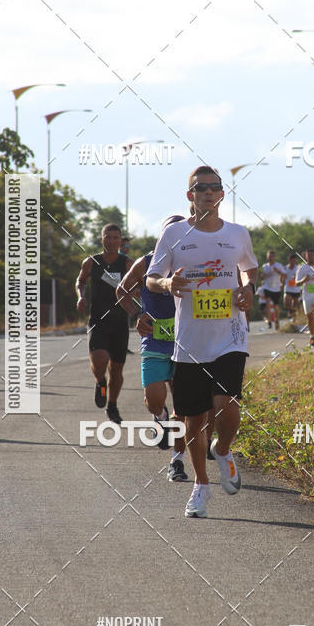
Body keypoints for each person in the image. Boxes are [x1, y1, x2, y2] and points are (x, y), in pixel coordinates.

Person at [146, 166, 258, 519]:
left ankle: (222, 450)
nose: (209, 193)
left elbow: (248, 268)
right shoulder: (174, 235)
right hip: (189, 341)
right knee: (192, 421)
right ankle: (201, 486)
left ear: (222, 194)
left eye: (215, 188)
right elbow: (152, 278)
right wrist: (166, 285)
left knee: (227, 406)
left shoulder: (238, 234)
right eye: (201, 188)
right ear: (189, 195)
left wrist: (248, 288)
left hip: (230, 336)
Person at [116, 215, 189, 481]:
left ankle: (177, 461)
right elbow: (122, 291)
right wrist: (138, 314)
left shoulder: (194, 261)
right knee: (154, 399)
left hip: (188, 345)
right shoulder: (145, 263)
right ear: (162, 237)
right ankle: (160, 415)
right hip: (155, 341)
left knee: (184, 407)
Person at [76, 223, 133, 424]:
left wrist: (134, 303)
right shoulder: (91, 262)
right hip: (98, 320)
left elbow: (139, 286)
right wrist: (80, 296)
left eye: (116, 237)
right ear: (101, 239)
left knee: (116, 369)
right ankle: (100, 382)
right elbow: (80, 281)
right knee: (100, 359)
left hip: (119, 323)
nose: (111, 241)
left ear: (120, 240)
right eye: (108, 237)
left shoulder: (127, 264)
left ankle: (112, 405)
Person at [261, 251, 286, 330]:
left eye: (272, 256)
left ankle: (276, 320)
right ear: (267, 257)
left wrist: (277, 271)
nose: (270, 258)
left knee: (276, 306)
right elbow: (263, 276)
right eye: (269, 256)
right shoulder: (265, 266)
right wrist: (265, 275)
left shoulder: (279, 265)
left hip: (276, 288)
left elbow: (285, 275)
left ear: (274, 257)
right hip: (267, 287)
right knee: (268, 303)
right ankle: (269, 321)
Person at [283, 254, 302, 319]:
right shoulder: (285, 268)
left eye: (294, 260)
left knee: (295, 306)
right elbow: (282, 276)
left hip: (296, 289)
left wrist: (296, 277)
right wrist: (280, 282)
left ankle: (293, 318)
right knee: (286, 303)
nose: (293, 262)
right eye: (292, 260)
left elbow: (301, 276)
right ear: (289, 260)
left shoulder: (298, 268)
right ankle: (290, 312)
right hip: (288, 288)